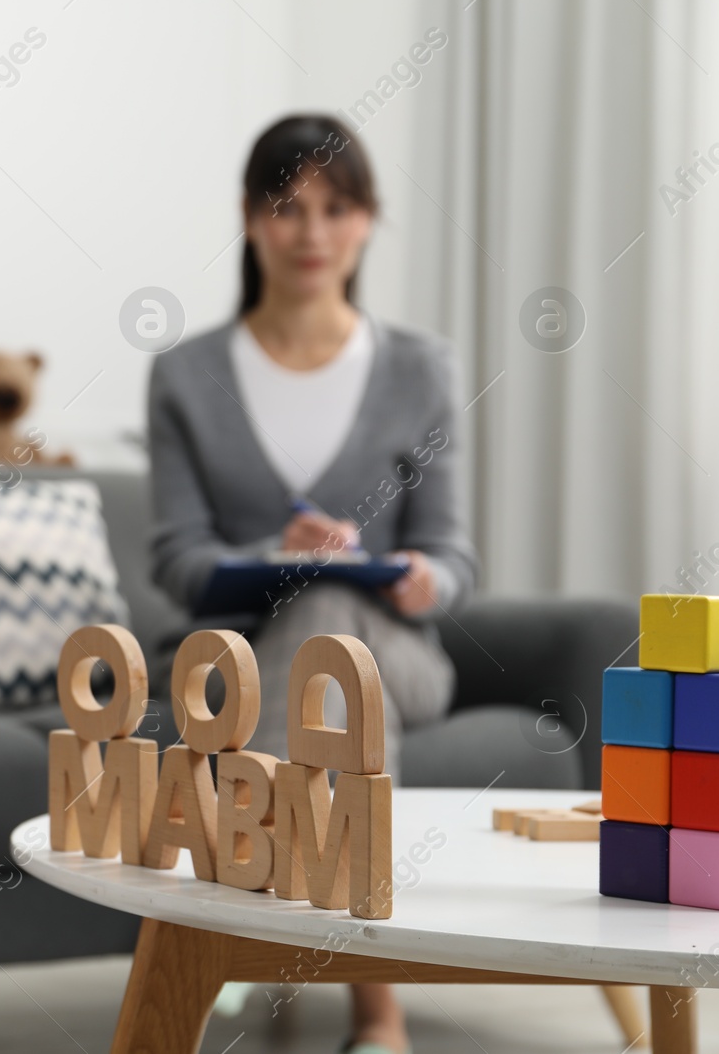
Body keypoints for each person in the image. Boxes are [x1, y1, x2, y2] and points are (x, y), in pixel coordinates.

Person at [146, 115, 478, 1054]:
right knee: (315, 628)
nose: (312, 232)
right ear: (251, 221)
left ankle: (251, 935)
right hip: (236, 656)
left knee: (335, 619)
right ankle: (378, 1014)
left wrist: (417, 577)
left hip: (398, 654)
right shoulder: (187, 372)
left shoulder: (422, 368)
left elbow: (456, 559)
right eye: (287, 207)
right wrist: (271, 547)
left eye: (337, 208)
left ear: (368, 221)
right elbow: (175, 558)